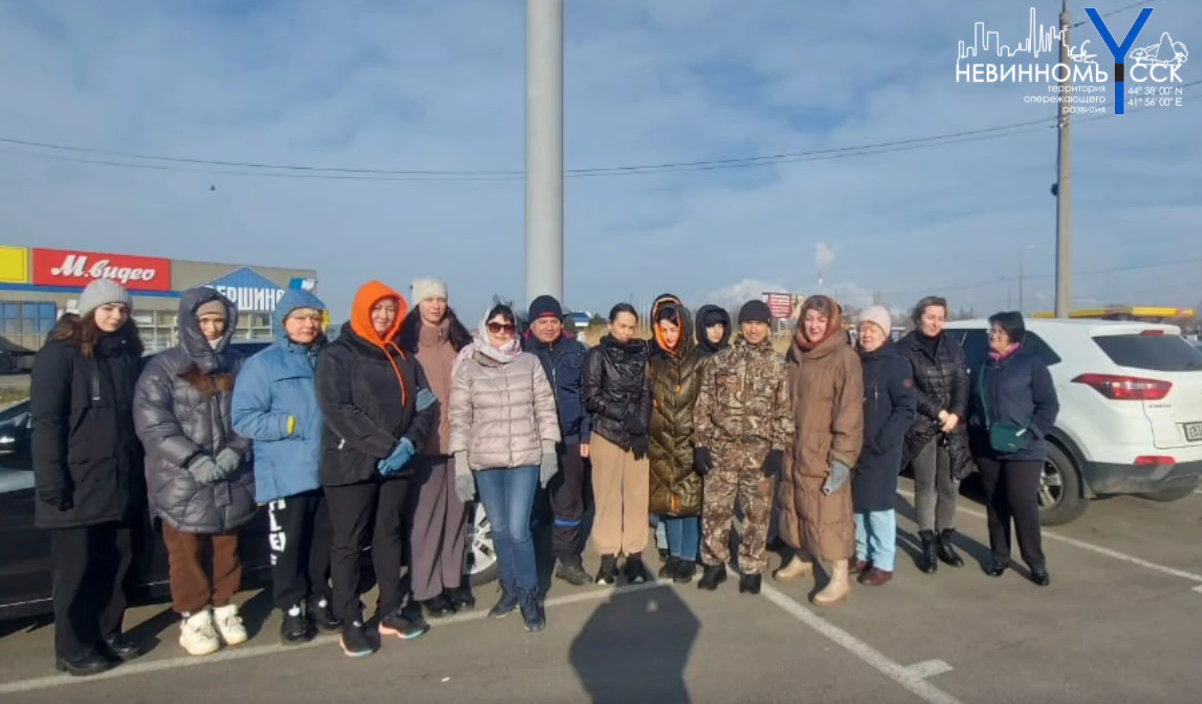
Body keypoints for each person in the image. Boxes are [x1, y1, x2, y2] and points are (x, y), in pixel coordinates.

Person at [315, 281, 440, 657]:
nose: (384, 316)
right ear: (362, 310)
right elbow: (339, 410)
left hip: (397, 464)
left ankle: (390, 611)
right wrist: (386, 445)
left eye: (390, 309)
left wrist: (408, 445)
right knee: (349, 544)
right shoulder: (338, 355)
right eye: (377, 309)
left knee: (389, 536)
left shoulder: (402, 357)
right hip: (350, 462)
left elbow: (428, 406)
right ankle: (350, 618)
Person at [31, 280, 145, 676]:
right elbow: (46, 424)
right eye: (108, 308)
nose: (115, 316)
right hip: (78, 486)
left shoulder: (127, 356)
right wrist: (52, 480)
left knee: (115, 566)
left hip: (121, 483)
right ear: (89, 310)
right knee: (76, 573)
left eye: (123, 310)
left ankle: (105, 633)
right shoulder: (59, 357)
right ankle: (72, 648)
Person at [134, 288, 256, 655]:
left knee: (227, 547)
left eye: (219, 320)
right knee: (185, 550)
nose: (213, 328)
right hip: (181, 478)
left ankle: (224, 607)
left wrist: (238, 449)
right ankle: (193, 616)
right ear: (190, 323)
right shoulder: (163, 368)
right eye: (205, 321)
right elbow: (153, 423)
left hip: (230, 474)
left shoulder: (238, 365)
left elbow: (251, 412)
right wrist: (191, 458)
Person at [231, 289, 340, 645]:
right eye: (299, 318)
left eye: (313, 318)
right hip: (286, 473)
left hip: (327, 471)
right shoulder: (263, 364)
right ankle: (292, 610)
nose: (308, 325)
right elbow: (244, 419)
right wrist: (288, 425)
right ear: (283, 323)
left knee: (321, 544)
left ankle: (319, 599)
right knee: (288, 547)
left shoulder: (328, 358)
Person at [450, 303, 561, 632]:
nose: (502, 333)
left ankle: (530, 594)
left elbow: (545, 406)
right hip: (486, 462)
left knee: (517, 530)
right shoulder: (469, 367)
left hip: (523, 458)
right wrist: (460, 464)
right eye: (496, 326)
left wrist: (549, 450)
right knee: (498, 529)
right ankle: (510, 589)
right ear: (485, 327)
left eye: (508, 327)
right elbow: (459, 417)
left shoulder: (528, 363)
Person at [691, 300, 790, 594]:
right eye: (749, 323)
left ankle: (752, 567)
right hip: (722, 449)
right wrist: (701, 443)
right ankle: (714, 564)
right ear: (741, 326)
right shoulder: (722, 360)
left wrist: (778, 447)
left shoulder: (777, 365)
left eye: (759, 323)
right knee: (715, 511)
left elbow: (784, 409)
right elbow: (704, 404)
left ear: (767, 327)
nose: (754, 328)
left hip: (759, 453)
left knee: (757, 514)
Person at [775, 295, 863, 607]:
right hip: (795, 445)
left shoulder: (844, 358)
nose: (813, 326)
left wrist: (843, 457)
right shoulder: (795, 352)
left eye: (820, 321)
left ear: (832, 323)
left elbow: (850, 413)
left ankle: (839, 576)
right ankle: (802, 556)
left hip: (824, 449)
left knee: (830, 514)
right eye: (809, 319)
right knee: (797, 505)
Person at [396, 278, 476, 620]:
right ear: (418, 304)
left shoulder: (460, 343)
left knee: (457, 517)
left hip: (459, 445)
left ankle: (452, 580)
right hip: (425, 447)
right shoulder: (407, 345)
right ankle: (426, 587)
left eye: (440, 299)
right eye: (428, 300)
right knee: (426, 520)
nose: (435, 305)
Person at [967, 311, 1059, 586]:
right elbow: (973, 404)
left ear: (1013, 335)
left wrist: (1032, 433)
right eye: (991, 331)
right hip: (988, 447)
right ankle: (999, 556)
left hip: (1024, 448)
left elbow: (1048, 405)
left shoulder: (1031, 364)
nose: (993, 335)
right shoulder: (982, 366)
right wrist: (973, 425)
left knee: (1023, 504)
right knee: (995, 503)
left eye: (999, 331)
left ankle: (1035, 562)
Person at [899, 296, 976, 573]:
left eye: (940, 317)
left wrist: (955, 413)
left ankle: (946, 540)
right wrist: (939, 413)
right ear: (918, 317)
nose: (935, 322)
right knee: (925, 486)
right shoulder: (906, 348)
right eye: (930, 317)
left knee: (950, 484)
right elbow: (909, 387)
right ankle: (928, 544)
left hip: (952, 426)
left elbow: (961, 381)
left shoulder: (953, 347)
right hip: (922, 426)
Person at [523, 294, 593, 587]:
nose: (549, 327)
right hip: (531, 439)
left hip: (570, 437)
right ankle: (532, 558)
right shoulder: (521, 354)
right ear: (532, 324)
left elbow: (587, 396)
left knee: (569, 500)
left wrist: (586, 435)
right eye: (543, 322)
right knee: (531, 502)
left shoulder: (576, 351)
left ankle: (568, 559)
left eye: (554, 321)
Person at [583, 303, 653, 585]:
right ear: (610, 324)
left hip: (636, 437)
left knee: (637, 497)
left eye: (631, 326)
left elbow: (647, 393)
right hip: (607, 433)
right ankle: (608, 558)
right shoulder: (597, 355)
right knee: (608, 497)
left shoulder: (641, 356)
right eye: (622, 325)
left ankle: (634, 556)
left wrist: (641, 425)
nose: (626, 331)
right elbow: (591, 396)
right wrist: (624, 415)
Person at [850, 307, 916, 587]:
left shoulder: (896, 364)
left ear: (886, 333)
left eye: (873, 329)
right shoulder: (856, 361)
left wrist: (882, 440)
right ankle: (863, 554)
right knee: (859, 506)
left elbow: (906, 408)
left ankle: (884, 562)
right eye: (863, 328)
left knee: (879, 507)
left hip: (882, 449)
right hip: (857, 447)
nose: (866, 334)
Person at [648, 302, 710, 584]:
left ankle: (688, 556)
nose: (669, 335)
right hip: (661, 444)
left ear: (683, 327)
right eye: (664, 330)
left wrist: (702, 442)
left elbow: (706, 403)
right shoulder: (656, 363)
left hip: (690, 442)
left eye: (674, 329)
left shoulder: (700, 360)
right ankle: (673, 554)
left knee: (690, 505)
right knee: (669, 504)